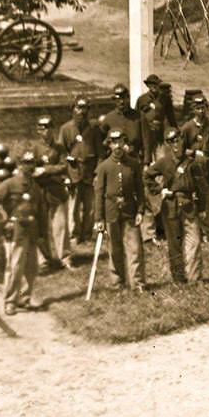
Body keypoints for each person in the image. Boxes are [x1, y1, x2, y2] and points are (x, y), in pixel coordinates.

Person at [0, 153, 49, 314]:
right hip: (16, 231)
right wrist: (2, 223)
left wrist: (43, 232)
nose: (30, 166)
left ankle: (24, 298)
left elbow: (41, 211)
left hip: (32, 231)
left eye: (32, 163)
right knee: (15, 267)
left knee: (31, 268)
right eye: (26, 163)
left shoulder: (36, 187)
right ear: (19, 164)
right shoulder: (9, 184)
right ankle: (10, 301)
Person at [93, 129, 148, 292]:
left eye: (120, 142)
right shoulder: (104, 166)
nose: (118, 146)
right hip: (111, 213)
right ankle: (118, 283)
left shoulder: (133, 164)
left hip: (130, 211)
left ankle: (138, 283)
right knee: (114, 249)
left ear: (125, 143)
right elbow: (99, 193)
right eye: (114, 142)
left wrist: (140, 210)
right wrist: (99, 218)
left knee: (134, 248)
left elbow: (140, 189)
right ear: (109, 145)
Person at [159, 144, 209, 283]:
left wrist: (202, 208)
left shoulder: (192, 164)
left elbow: (202, 186)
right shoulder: (164, 162)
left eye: (178, 140)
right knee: (174, 244)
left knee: (194, 242)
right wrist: (160, 189)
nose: (175, 145)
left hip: (188, 206)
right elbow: (148, 175)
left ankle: (195, 278)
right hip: (170, 206)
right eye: (171, 141)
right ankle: (178, 278)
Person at [57, 97, 100, 243]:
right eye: (79, 108)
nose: (82, 111)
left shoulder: (94, 129)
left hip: (89, 170)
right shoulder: (65, 129)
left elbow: (100, 153)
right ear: (73, 109)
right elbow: (61, 153)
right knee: (73, 206)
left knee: (90, 206)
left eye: (85, 108)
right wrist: (66, 175)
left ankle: (87, 233)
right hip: (73, 171)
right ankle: (74, 234)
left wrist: (97, 173)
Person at [33, 116, 74, 269]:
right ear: (38, 130)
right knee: (40, 227)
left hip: (57, 192)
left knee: (61, 226)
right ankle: (44, 259)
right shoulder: (35, 148)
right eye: (42, 127)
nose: (46, 131)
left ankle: (65, 258)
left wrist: (45, 170)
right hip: (41, 192)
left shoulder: (60, 148)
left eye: (49, 127)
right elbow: (30, 166)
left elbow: (64, 166)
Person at [134, 74, 177, 162]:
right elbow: (136, 118)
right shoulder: (141, 99)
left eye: (155, 84)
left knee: (161, 158)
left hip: (160, 132)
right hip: (145, 132)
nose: (153, 86)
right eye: (151, 84)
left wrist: (175, 130)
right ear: (148, 85)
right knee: (146, 158)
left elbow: (171, 116)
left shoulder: (165, 98)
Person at [100, 83, 144, 159]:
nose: (121, 102)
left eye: (124, 98)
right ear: (114, 100)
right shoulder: (109, 118)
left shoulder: (139, 116)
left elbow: (146, 141)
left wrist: (146, 161)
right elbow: (101, 140)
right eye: (118, 99)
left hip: (135, 158)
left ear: (128, 98)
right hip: (115, 159)